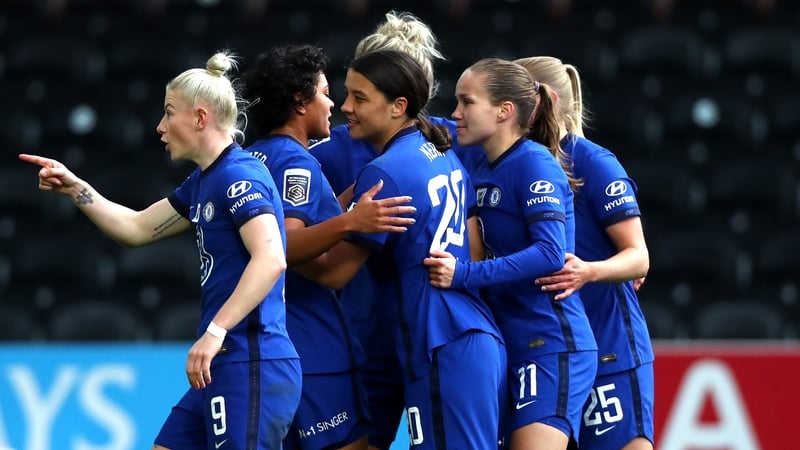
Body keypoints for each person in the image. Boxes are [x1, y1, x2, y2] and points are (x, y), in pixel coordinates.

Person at [19, 51, 301, 450]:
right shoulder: (204, 181)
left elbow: (271, 257)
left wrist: (215, 332)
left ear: (201, 118)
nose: (160, 127)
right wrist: (74, 187)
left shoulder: (240, 175)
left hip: (251, 361)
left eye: (169, 113)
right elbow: (135, 229)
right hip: (222, 362)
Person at [299, 49, 506, 450]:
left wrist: (277, 249)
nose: (346, 107)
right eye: (346, 95)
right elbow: (475, 245)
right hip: (472, 334)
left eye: (360, 98)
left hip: (440, 341)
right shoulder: (443, 153)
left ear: (398, 106)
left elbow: (333, 273)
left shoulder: (385, 172)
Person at [239, 43, 416, 450]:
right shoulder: (296, 161)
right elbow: (282, 244)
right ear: (300, 103)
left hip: (263, 344)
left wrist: (350, 199)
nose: (335, 103)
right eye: (324, 92)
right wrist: (354, 223)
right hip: (315, 348)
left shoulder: (250, 157)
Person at [424, 58, 598, 450]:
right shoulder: (484, 168)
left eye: (467, 102)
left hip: (551, 341)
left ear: (504, 111)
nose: (456, 113)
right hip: (511, 340)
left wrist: (463, 274)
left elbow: (551, 253)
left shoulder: (534, 163)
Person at [517, 56, 654, 450]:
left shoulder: (594, 162)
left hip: (611, 348)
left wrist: (589, 271)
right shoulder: (506, 164)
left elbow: (638, 256)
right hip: (545, 349)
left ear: (541, 101)